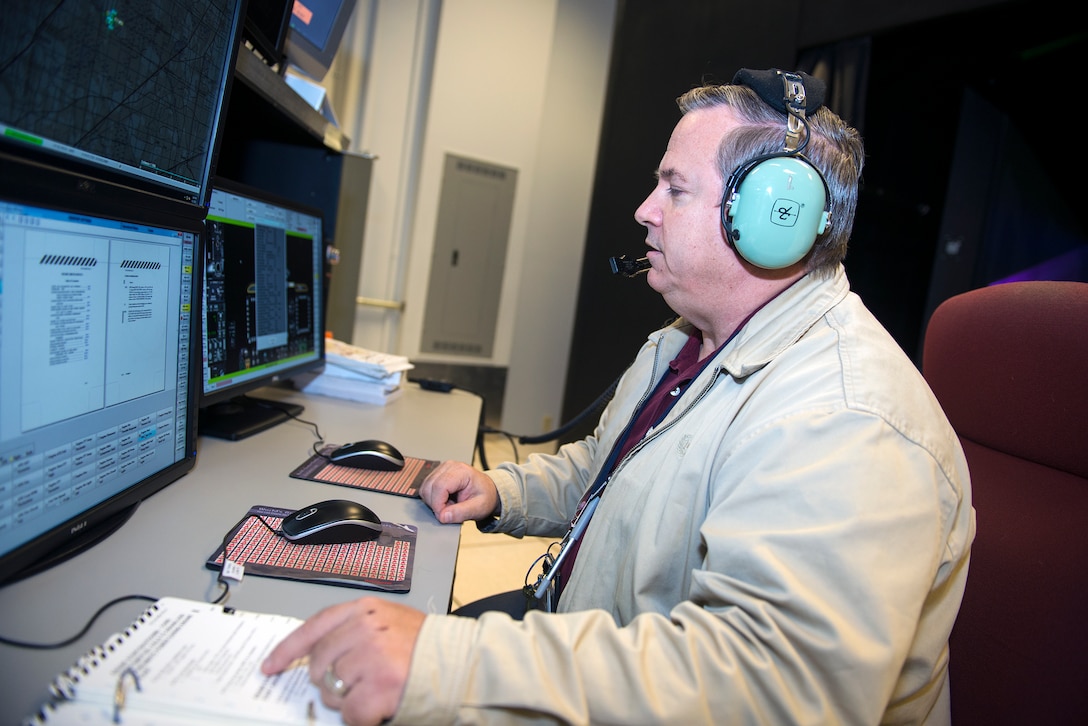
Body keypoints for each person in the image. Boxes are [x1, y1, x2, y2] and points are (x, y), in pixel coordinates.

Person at [262, 68, 974, 725]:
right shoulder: (683, 343)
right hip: (585, 648)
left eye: (675, 188)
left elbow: (767, 688)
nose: (644, 210)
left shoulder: (848, 421)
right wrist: (501, 490)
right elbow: (605, 471)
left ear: (772, 218)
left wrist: (446, 665)